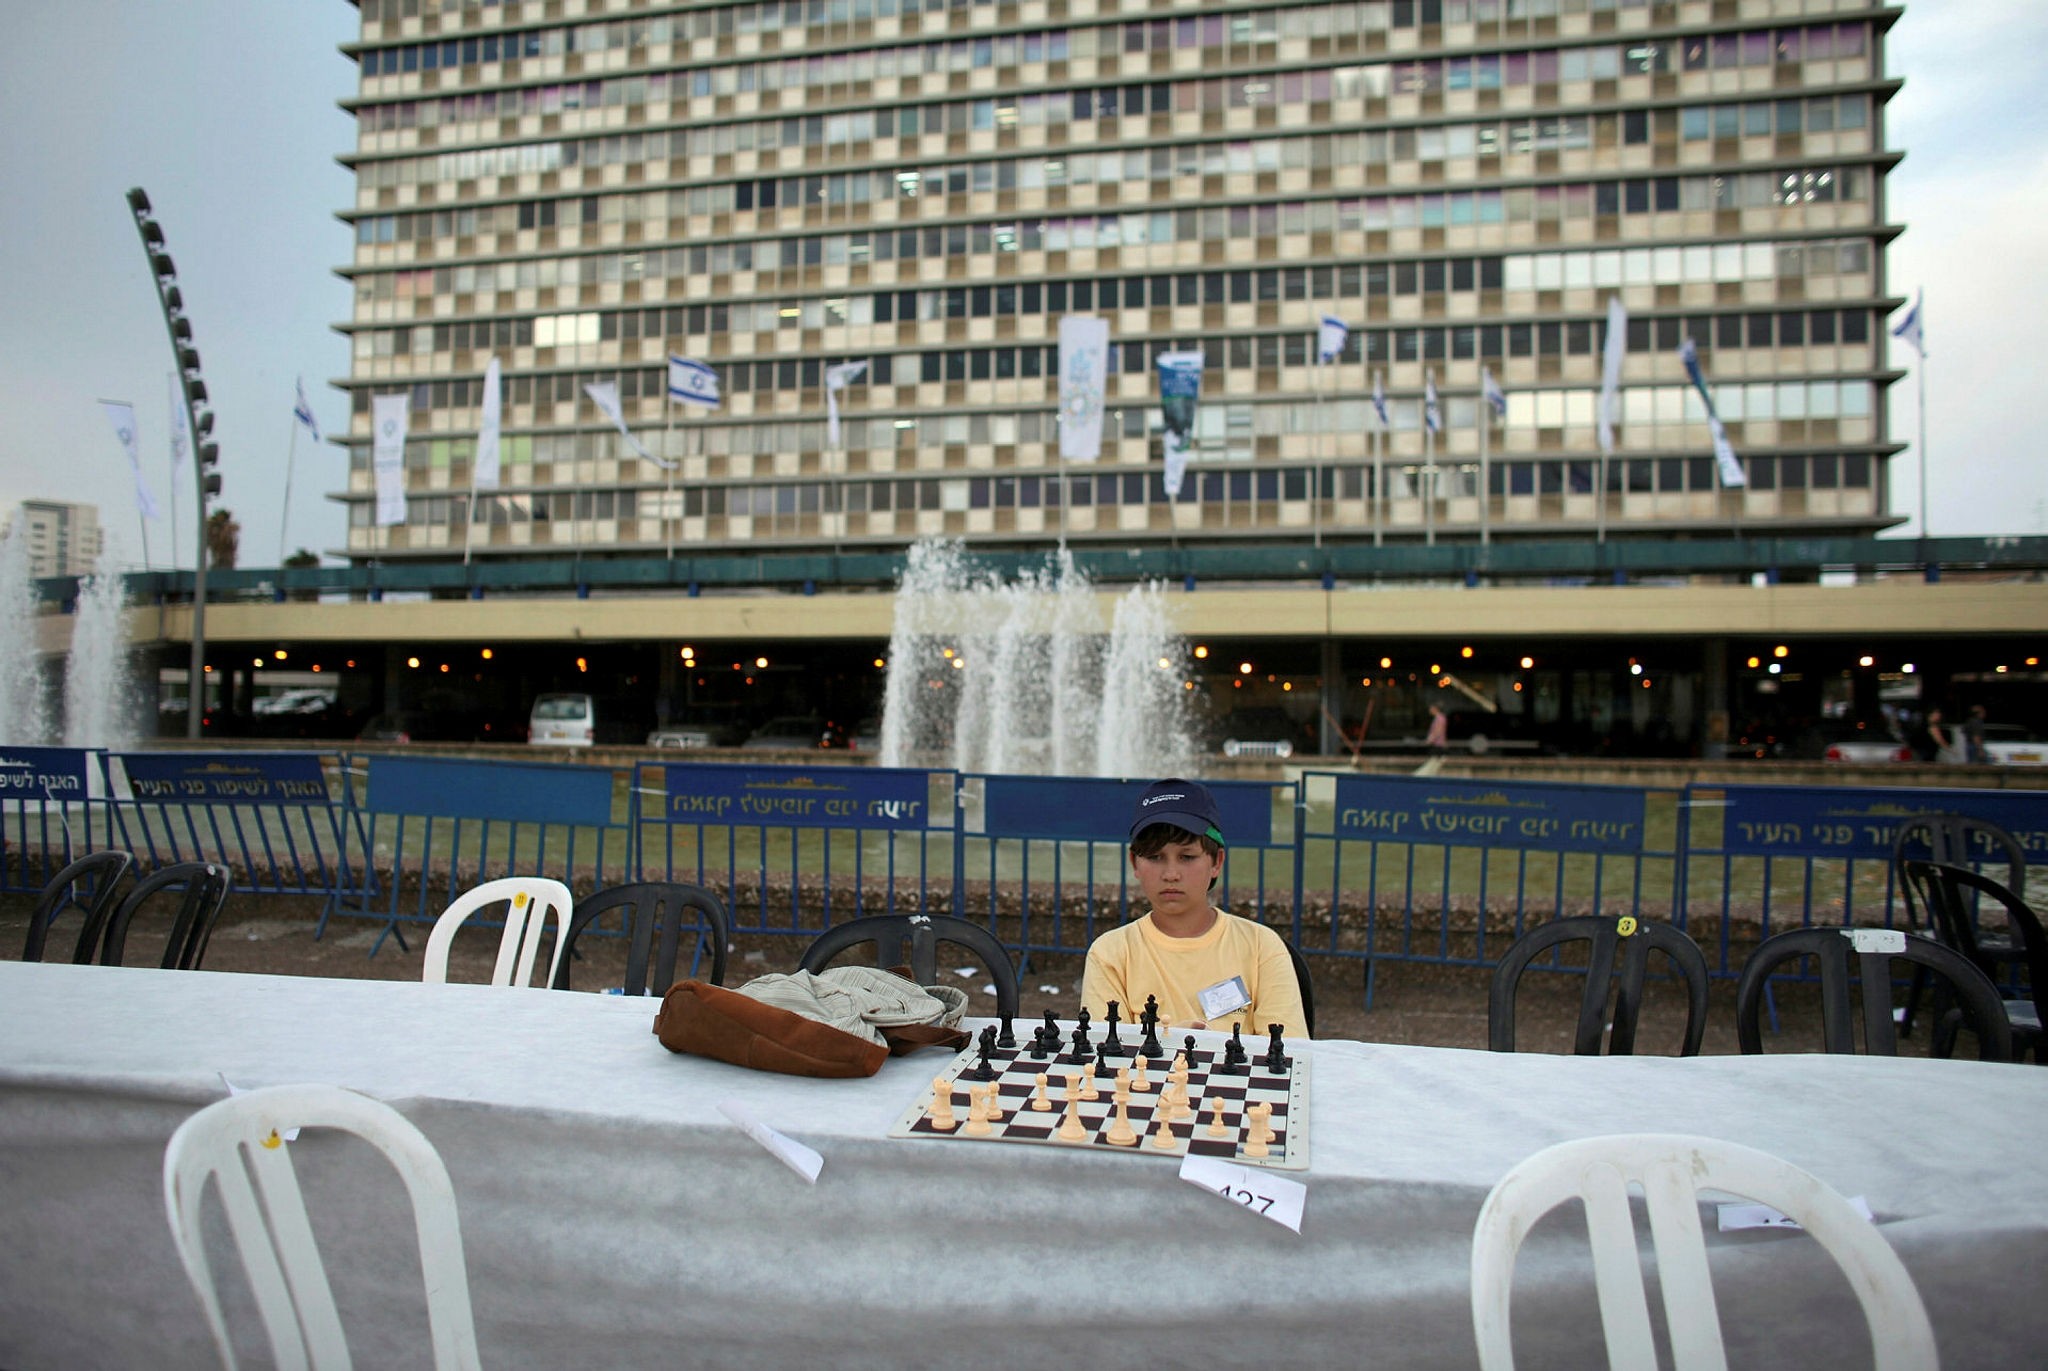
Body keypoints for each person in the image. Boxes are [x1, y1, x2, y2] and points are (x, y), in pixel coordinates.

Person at [1081, 778, 1310, 1039]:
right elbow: (1104, 1053)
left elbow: (1290, 1050)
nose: (1170, 874)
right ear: (1135, 862)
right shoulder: (1110, 954)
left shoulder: (1262, 947)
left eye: (1187, 857)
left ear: (1217, 861)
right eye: (1155, 857)